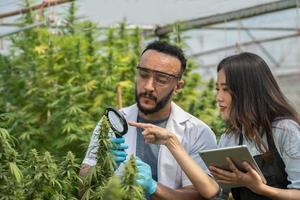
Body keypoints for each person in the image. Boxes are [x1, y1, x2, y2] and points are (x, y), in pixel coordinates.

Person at [132, 52, 300, 200]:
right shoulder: (230, 138)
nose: (219, 97)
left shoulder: (284, 130)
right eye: (217, 89)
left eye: (225, 90)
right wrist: (171, 142)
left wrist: (261, 189)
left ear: (247, 91)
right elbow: (212, 191)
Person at [79, 41, 218, 200]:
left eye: (161, 79)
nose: (148, 86)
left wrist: (153, 187)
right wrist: (101, 168)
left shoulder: (198, 132)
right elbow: (82, 189)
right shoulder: (112, 122)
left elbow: (201, 196)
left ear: (177, 87)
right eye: (144, 75)